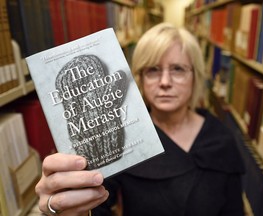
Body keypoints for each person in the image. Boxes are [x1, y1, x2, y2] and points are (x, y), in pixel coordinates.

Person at [35, 22, 245, 216]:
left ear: (195, 76)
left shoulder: (221, 138)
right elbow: (94, 208)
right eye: (153, 70)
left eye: (178, 69)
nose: (165, 82)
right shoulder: (125, 135)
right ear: (140, 78)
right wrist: (65, 205)